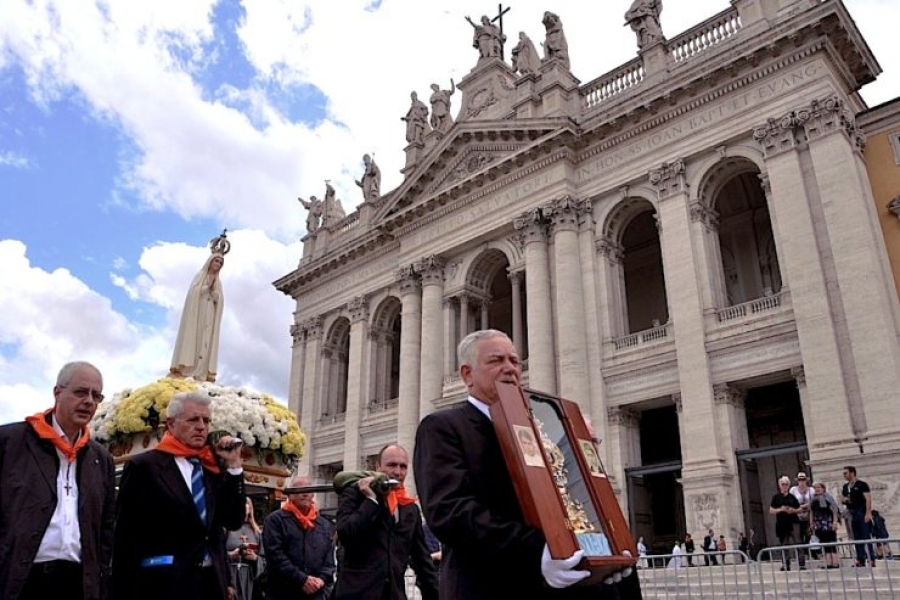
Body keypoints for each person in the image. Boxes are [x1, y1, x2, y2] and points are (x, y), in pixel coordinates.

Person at [414, 329, 642, 599]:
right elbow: (450, 511)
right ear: (467, 374)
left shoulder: (543, 425)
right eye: (496, 361)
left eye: (514, 361)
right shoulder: (444, 427)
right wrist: (537, 551)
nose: (510, 368)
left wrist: (604, 552)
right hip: (490, 586)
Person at [113, 391, 246, 600]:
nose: (201, 426)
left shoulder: (211, 467)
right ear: (171, 424)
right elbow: (125, 536)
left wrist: (234, 468)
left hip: (210, 585)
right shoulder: (144, 467)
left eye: (206, 420)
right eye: (193, 419)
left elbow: (232, 520)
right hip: (162, 585)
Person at [0, 362, 115, 600]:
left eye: (96, 395)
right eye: (80, 392)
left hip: (78, 583)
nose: (89, 401)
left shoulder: (100, 458)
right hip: (18, 578)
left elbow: (105, 528)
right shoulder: (10, 442)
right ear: (57, 392)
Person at [332, 444, 438, 600]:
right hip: (356, 593)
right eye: (392, 465)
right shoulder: (355, 494)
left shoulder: (410, 508)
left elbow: (422, 561)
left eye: (403, 467)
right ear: (378, 467)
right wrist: (371, 501)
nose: (398, 472)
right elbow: (345, 533)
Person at [263, 476, 335, 600]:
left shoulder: (324, 525)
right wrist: (302, 579)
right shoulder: (275, 520)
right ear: (290, 495)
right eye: (300, 489)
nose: (305, 493)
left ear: (313, 495)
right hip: (283, 591)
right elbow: (275, 555)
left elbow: (329, 559)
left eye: (308, 490)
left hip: (315, 592)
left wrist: (321, 579)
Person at [170, 240, 227, 382]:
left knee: (206, 341)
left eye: (220, 263)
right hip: (198, 312)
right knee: (196, 338)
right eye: (216, 261)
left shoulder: (218, 282)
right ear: (210, 262)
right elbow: (193, 294)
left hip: (210, 313)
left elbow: (219, 300)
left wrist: (215, 294)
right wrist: (207, 287)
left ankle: (201, 371)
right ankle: (187, 369)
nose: (218, 264)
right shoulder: (200, 276)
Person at [226, 498, 263, 600]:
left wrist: (255, 558)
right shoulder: (226, 528)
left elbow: (265, 559)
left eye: (246, 503)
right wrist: (231, 555)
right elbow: (217, 554)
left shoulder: (257, 532)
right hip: (229, 575)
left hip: (249, 578)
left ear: (250, 508)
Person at [842, 465, 876, 567]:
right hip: (851, 512)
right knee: (856, 536)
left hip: (861, 511)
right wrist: (845, 500)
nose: (844, 475)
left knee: (865, 535)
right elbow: (843, 498)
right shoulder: (845, 487)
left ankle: (871, 558)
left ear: (852, 473)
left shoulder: (861, 485)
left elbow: (868, 499)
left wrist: (868, 513)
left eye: (846, 473)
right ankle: (860, 558)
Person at [770, 475, 803, 571]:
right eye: (783, 484)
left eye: (786, 484)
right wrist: (781, 509)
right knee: (784, 544)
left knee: (798, 542)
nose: (784, 486)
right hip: (782, 524)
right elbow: (771, 510)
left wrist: (793, 510)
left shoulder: (792, 497)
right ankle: (786, 564)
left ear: (788, 485)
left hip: (793, 522)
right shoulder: (776, 497)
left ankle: (801, 563)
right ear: (780, 485)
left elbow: (799, 508)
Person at [809, 481, 840, 569]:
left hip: (828, 523)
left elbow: (834, 510)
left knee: (832, 542)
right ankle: (828, 563)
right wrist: (811, 523)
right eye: (815, 488)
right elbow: (811, 512)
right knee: (824, 543)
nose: (817, 489)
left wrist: (834, 522)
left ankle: (835, 562)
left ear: (823, 488)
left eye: (819, 487)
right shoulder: (813, 499)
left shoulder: (828, 498)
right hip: (819, 524)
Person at [789, 472, 813, 566]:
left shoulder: (811, 490)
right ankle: (801, 557)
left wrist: (804, 506)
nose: (801, 482)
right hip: (797, 516)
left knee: (808, 535)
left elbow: (813, 501)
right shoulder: (793, 490)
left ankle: (810, 552)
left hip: (808, 516)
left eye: (803, 480)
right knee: (798, 537)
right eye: (800, 480)